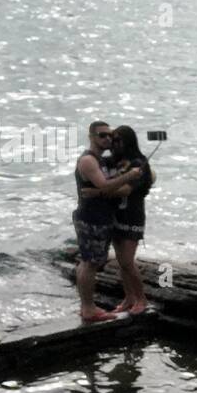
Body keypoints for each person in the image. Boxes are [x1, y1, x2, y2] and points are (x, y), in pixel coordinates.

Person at [72, 121, 142, 322]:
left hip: (100, 217)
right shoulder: (88, 160)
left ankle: (87, 306)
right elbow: (105, 185)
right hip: (91, 218)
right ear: (92, 137)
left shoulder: (101, 160)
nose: (107, 139)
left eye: (110, 135)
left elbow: (107, 188)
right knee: (90, 263)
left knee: (88, 262)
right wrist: (129, 175)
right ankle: (88, 308)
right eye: (102, 135)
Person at [108, 125, 155, 313]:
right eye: (113, 140)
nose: (114, 144)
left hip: (132, 215)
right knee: (121, 261)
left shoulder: (139, 162)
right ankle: (128, 297)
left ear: (128, 141)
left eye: (118, 140)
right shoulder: (113, 161)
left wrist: (101, 191)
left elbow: (127, 189)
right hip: (115, 214)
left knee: (127, 260)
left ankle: (142, 299)